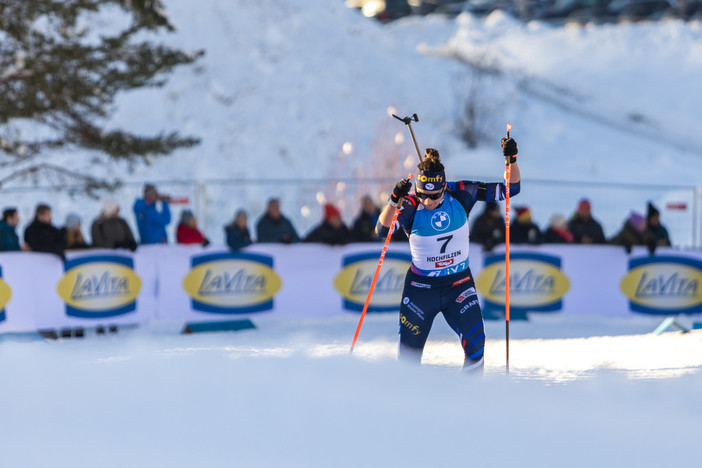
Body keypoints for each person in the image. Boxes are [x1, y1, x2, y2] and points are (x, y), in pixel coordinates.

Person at [376, 137, 521, 374]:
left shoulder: (463, 192)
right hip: (421, 289)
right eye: (423, 195)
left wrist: (511, 160)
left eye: (435, 196)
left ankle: (468, 401)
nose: (429, 201)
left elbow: (510, 189)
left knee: (476, 345)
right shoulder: (411, 204)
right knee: (408, 360)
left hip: (458, 285)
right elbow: (382, 230)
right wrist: (394, 200)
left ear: (445, 187)